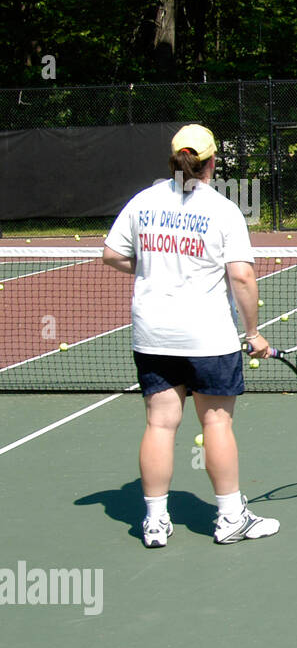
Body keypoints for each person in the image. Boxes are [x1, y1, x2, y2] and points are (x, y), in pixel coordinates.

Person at [102, 123, 279, 547]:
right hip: (207, 338)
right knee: (216, 423)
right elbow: (242, 274)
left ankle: (156, 522)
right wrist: (254, 332)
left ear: (174, 160)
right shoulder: (223, 210)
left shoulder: (142, 202)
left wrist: (149, 267)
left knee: (160, 425)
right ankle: (230, 518)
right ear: (212, 162)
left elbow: (112, 255)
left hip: (152, 334)